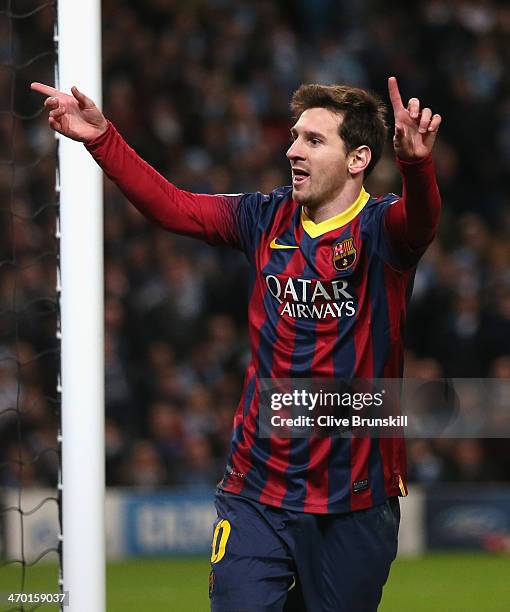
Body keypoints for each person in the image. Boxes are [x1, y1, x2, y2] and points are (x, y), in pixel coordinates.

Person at [32, 76, 441, 611]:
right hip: (258, 491)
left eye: (314, 141)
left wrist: (416, 165)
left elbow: (423, 220)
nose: (292, 150)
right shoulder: (264, 216)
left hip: (355, 499)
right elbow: (174, 208)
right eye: (294, 137)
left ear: (358, 158)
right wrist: (102, 138)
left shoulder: (381, 230)